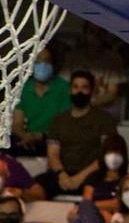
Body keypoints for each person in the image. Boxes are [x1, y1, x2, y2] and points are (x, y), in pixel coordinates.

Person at [40, 70, 118, 199]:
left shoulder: (105, 120)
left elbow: (106, 156)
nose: (79, 91)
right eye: (75, 87)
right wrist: (62, 175)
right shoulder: (58, 121)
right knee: (37, 186)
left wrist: (79, 178)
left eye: (84, 87)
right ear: (70, 90)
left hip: (93, 175)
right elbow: (52, 154)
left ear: (92, 91)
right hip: (63, 174)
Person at [12, 48, 65, 154]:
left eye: (46, 61)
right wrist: (25, 136)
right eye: (38, 61)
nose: (42, 65)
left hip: (53, 139)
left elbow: (65, 124)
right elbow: (17, 123)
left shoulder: (63, 87)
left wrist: (40, 136)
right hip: (27, 138)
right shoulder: (23, 88)